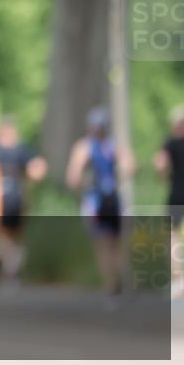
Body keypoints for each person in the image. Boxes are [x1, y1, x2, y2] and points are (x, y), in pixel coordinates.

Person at [66, 106, 135, 297]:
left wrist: (86, 184)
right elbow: (130, 167)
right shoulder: (114, 146)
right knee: (117, 242)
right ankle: (121, 279)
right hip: (114, 198)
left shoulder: (84, 147)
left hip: (95, 201)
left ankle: (110, 283)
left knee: (102, 244)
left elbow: (73, 178)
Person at [0, 116, 47, 282]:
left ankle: (13, 258)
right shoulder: (23, 150)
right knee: (13, 236)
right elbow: (39, 169)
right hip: (19, 196)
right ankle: (11, 269)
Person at [153, 105, 184, 299]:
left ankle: (179, 280)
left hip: (177, 196)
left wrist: (165, 175)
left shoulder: (171, 144)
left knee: (174, 238)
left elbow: (160, 163)